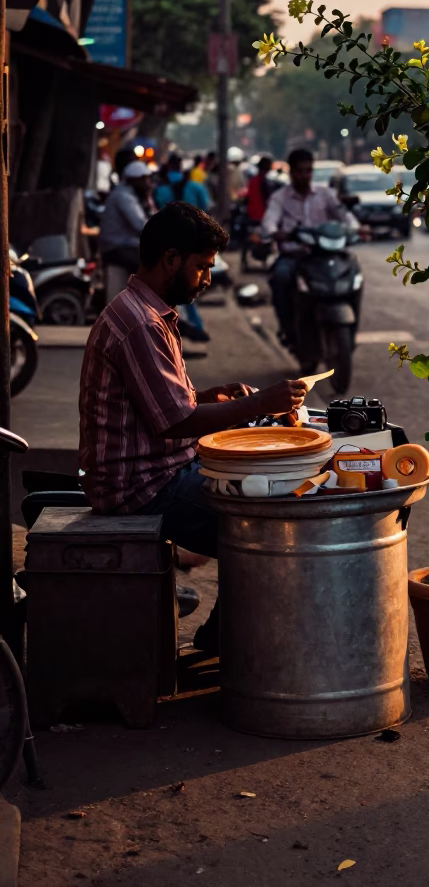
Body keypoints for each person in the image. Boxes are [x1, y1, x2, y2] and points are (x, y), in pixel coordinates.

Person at [79, 202, 307, 652]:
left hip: (155, 472)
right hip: (141, 486)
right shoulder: (140, 324)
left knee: (268, 498)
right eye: (201, 267)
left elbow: (166, 404)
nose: (206, 279)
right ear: (170, 259)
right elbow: (175, 422)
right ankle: (226, 646)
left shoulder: (146, 312)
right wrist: (265, 402)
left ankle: (220, 640)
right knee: (271, 533)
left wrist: (213, 394)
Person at [261, 148, 358, 346]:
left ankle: (351, 330)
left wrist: (356, 228)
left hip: (324, 255)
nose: (305, 176)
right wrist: (274, 231)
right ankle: (288, 328)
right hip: (294, 257)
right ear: (291, 172)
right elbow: (269, 221)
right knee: (280, 276)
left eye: (308, 171)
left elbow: (345, 216)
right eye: (300, 171)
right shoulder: (280, 197)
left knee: (354, 273)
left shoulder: (325, 194)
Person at [154, 155, 214, 343]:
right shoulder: (196, 187)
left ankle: (180, 328)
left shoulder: (160, 190)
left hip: (167, 245)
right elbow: (207, 211)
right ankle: (194, 326)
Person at [100, 159, 152, 279]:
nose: (147, 183)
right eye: (143, 179)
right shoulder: (123, 196)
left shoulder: (132, 195)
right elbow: (141, 225)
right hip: (117, 247)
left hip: (125, 244)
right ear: (132, 180)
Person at [242, 155, 278, 268]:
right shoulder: (265, 182)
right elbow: (268, 200)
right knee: (270, 238)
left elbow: (247, 199)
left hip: (251, 215)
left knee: (247, 239)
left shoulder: (252, 181)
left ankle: (244, 261)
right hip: (262, 216)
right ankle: (265, 261)